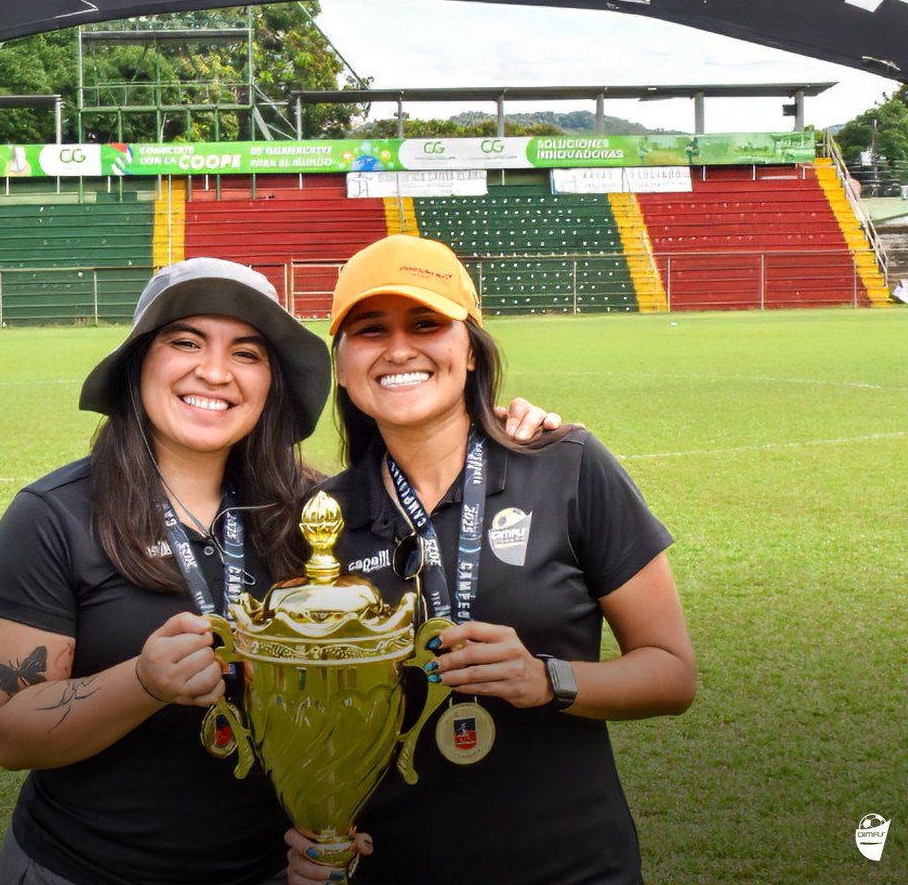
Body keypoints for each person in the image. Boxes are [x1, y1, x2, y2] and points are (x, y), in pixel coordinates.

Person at [0, 255, 560, 885]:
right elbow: (11, 734)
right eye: (185, 341)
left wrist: (502, 436)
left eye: (248, 353)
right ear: (138, 362)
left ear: (271, 383)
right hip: (85, 870)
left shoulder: (318, 514)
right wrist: (143, 682)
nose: (215, 371)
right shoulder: (52, 516)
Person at [287, 235, 697, 885]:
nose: (398, 348)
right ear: (341, 365)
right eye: (370, 330)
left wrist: (547, 679)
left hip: (571, 868)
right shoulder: (319, 521)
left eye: (427, 323)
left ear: (472, 350)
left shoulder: (567, 465)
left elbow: (673, 676)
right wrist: (314, 829)